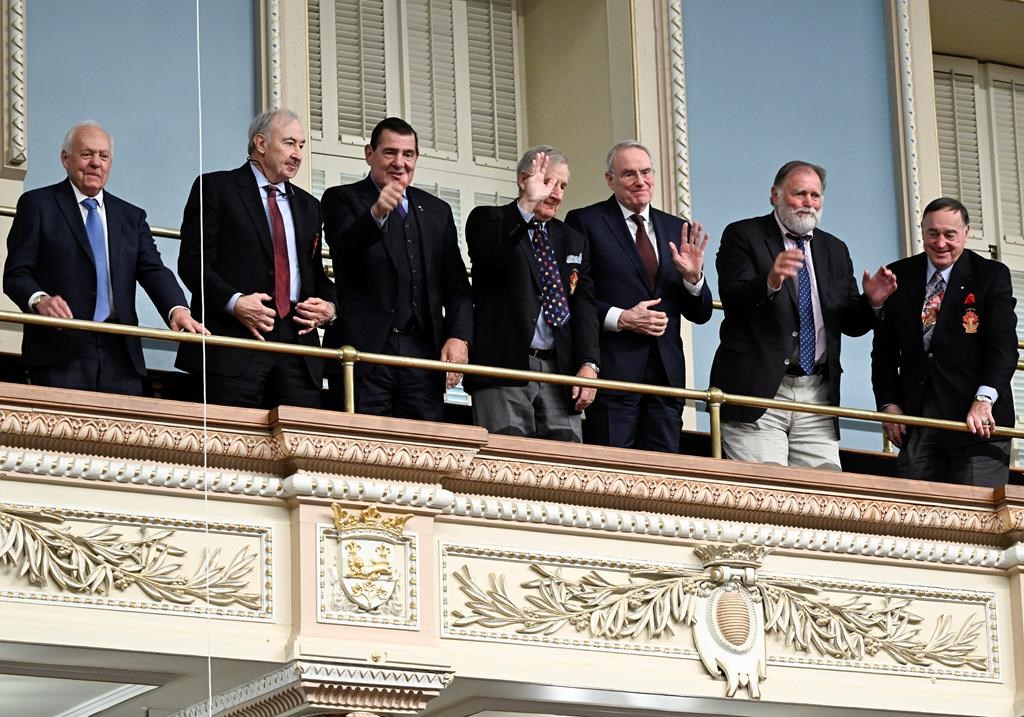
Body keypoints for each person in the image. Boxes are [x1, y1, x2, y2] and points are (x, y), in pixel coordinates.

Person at [710, 160, 897, 470]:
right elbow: (734, 299)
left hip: (817, 397)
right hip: (760, 392)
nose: (809, 203)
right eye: (800, 194)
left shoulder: (834, 249)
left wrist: (871, 303)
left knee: (824, 500)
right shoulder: (744, 235)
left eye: (815, 195)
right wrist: (770, 281)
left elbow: (849, 323)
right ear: (775, 195)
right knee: (768, 497)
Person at [3, 121, 205, 396]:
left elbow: (153, 270)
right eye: (86, 154)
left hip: (120, 352)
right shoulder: (38, 205)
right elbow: (16, 274)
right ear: (65, 159)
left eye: (103, 156)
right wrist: (39, 300)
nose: (96, 163)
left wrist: (177, 308)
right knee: (62, 437)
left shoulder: (131, 217)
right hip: (60, 347)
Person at [176, 109, 336, 408]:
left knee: (303, 451)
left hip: (297, 352)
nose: (297, 154)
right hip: (233, 345)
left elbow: (313, 275)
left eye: (301, 145)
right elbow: (192, 263)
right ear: (261, 144)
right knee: (229, 450)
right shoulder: (215, 188)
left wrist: (329, 307)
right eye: (289, 143)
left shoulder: (309, 206)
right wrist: (235, 302)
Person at [564, 141, 712, 452]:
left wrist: (693, 278)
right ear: (610, 180)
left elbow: (700, 313)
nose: (640, 181)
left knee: (664, 478)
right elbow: (577, 296)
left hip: (666, 376)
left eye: (646, 172)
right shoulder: (585, 222)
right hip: (614, 370)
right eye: (629, 174)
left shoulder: (677, 228)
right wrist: (622, 318)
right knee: (614, 473)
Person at [322, 117, 472, 420]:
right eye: (390, 152)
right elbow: (345, 248)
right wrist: (376, 214)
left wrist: (459, 337)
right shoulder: (342, 198)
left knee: (424, 454)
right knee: (364, 452)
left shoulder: (437, 211)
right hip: (365, 353)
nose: (399, 162)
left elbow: (456, 284)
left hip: (422, 355)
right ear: (369, 154)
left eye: (408, 154)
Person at [872, 197, 1017, 487]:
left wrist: (984, 399)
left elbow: (1002, 348)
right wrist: (888, 404)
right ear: (922, 231)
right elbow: (884, 351)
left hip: (977, 421)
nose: (941, 243)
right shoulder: (899, 275)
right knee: (916, 516)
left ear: (966, 232)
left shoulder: (990, 275)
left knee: (975, 520)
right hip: (919, 418)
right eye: (932, 233)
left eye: (950, 235)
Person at [464, 146, 599, 441]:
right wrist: (526, 205)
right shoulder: (488, 219)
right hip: (504, 368)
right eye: (550, 183)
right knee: (505, 465)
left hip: (559, 372)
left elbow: (584, 307)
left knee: (565, 471)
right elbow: (490, 256)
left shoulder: (573, 239)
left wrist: (588, 365)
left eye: (563, 186)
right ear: (526, 179)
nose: (558, 193)